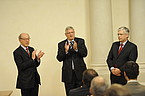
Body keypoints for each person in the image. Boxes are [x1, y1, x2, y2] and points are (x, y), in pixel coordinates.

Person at [56, 26, 88, 96]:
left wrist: (76, 49)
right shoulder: (61, 44)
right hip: (68, 74)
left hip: (79, 73)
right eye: (69, 33)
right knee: (69, 93)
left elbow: (84, 54)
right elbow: (59, 58)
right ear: (65, 34)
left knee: (81, 93)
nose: (71, 34)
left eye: (72, 32)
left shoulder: (80, 41)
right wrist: (66, 51)